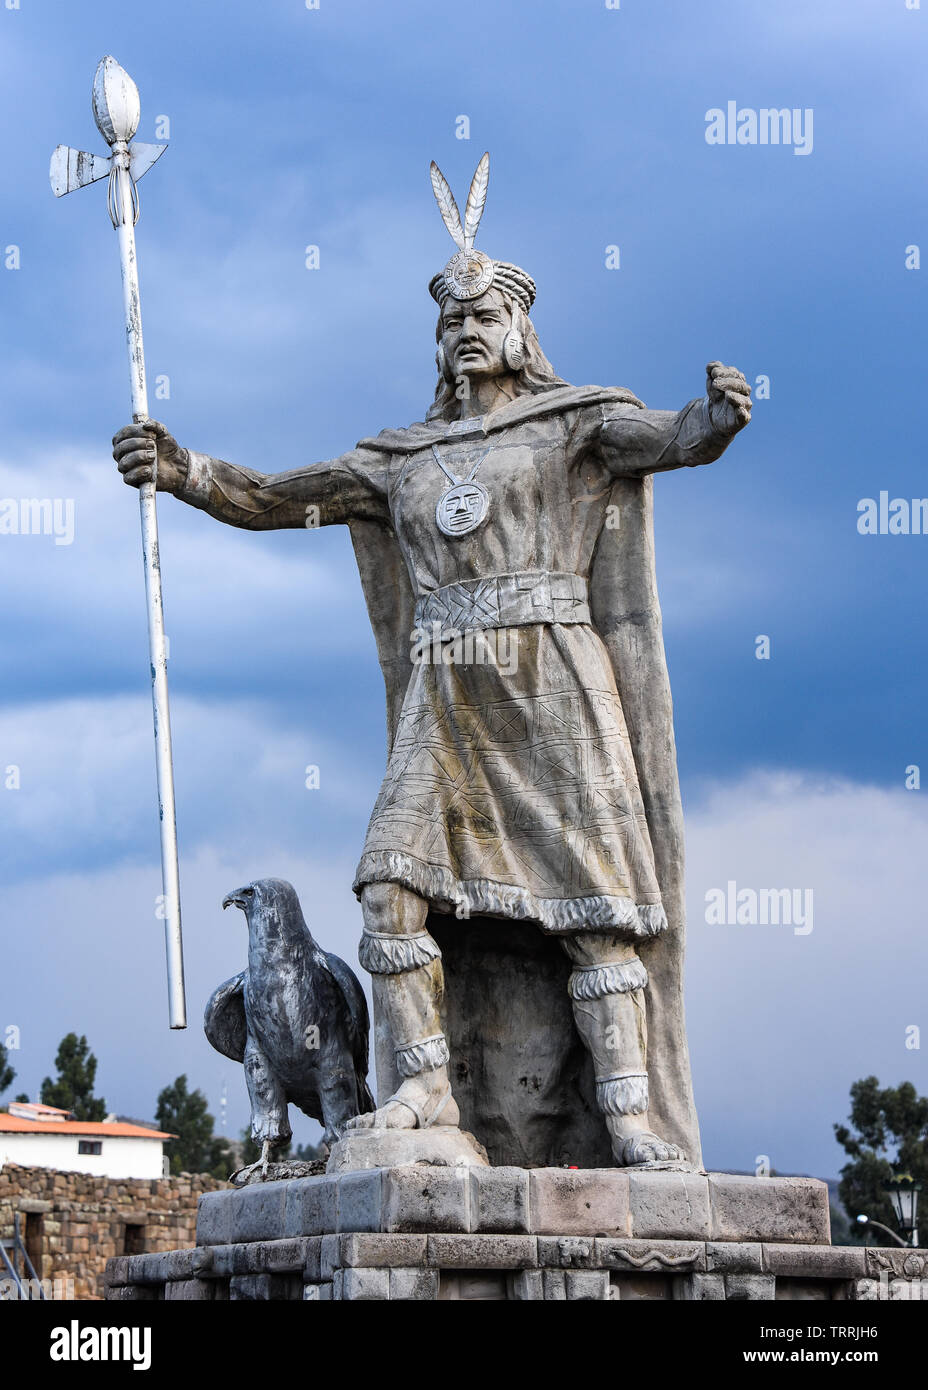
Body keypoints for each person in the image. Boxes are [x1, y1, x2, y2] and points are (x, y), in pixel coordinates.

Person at [113, 156, 751, 1165]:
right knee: (387, 888)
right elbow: (279, 496)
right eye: (449, 319)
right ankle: (422, 1093)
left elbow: (663, 438)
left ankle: (629, 1119)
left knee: (592, 911)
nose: (465, 330)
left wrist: (709, 422)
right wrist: (185, 470)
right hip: (444, 689)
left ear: (518, 329)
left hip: (552, 680)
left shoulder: (571, 421)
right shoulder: (398, 457)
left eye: (483, 313)